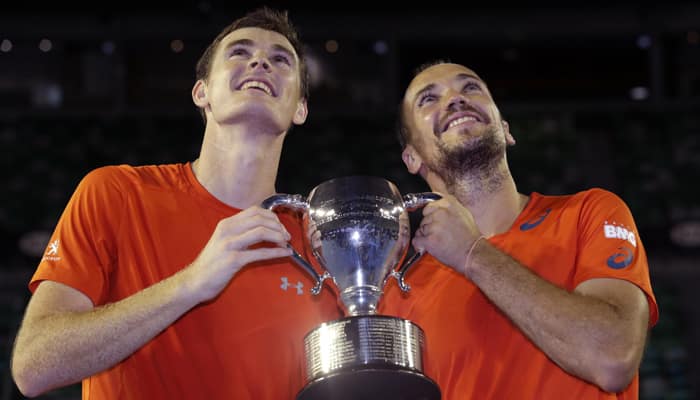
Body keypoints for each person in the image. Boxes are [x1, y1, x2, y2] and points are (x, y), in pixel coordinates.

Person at [11, 7, 340, 399]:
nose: (260, 61)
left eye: (280, 59)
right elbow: (33, 366)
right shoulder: (117, 193)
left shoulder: (318, 240)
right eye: (239, 52)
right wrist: (192, 283)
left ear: (300, 108)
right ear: (202, 92)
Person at [378, 61, 658, 399]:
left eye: (470, 88)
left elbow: (613, 358)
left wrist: (472, 252)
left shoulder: (588, 213)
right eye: (428, 99)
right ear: (411, 158)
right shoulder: (398, 290)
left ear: (506, 130)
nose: (455, 98)